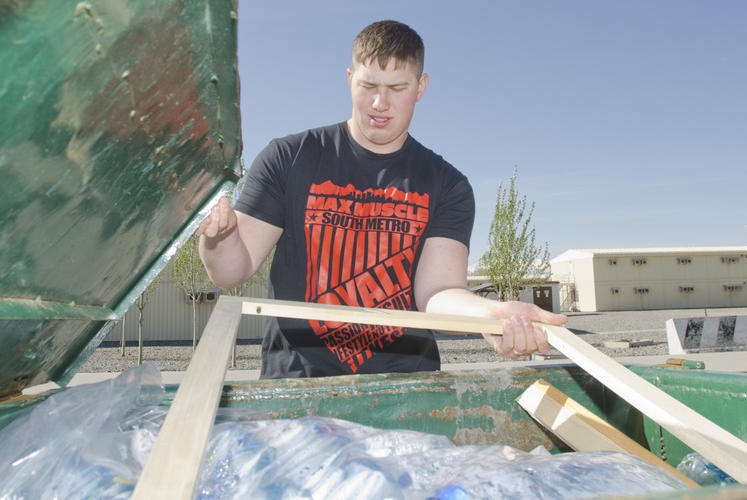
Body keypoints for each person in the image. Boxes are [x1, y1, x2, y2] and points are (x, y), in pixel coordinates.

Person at [198, 20, 567, 378]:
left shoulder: (447, 184)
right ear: (349, 79)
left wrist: (491, 315)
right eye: (368, 85)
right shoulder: (288, 158)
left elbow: (438, 292)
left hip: (407, 392)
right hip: (296, 387)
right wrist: (219, 237)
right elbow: (230, 274)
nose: (380, 102)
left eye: (397, 87)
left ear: (421, 87)